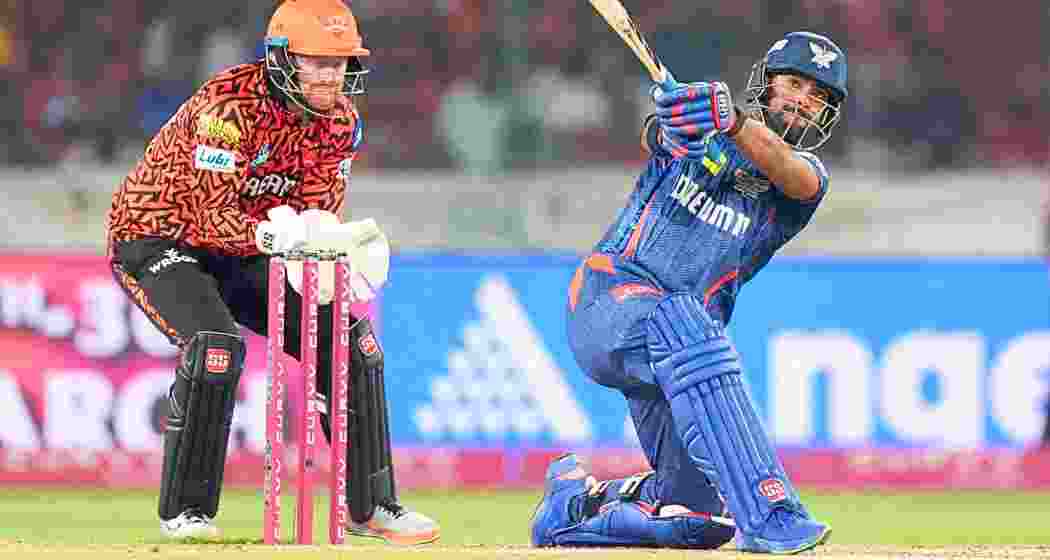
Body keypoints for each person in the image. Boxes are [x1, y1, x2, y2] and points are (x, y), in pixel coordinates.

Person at [105, 0, 439, 544]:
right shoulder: (227, 106)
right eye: (318, 62)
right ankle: (187, 513)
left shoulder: (340, 124)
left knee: (350, 341)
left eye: (341, 63)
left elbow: (318, 210)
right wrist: (278, 238)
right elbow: (212, 214)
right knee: (215, 345)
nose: (333, 75)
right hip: (157, 237)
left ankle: (372, 506)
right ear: (283, 59)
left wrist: (333, 252)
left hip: (249, 249)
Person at [530, 31, 848, 554]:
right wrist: (678, 125)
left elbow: (791, 175)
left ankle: (573, 510)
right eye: (794, 83)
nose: (802, 100)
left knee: (698, 520)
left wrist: (733, 123)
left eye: (818, 96)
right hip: (608, 301)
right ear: (766, 85)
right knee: (686, 321)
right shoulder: (698, 133)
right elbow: (658, 138)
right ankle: (771, 513)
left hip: (681, 356)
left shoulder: (805, 178)